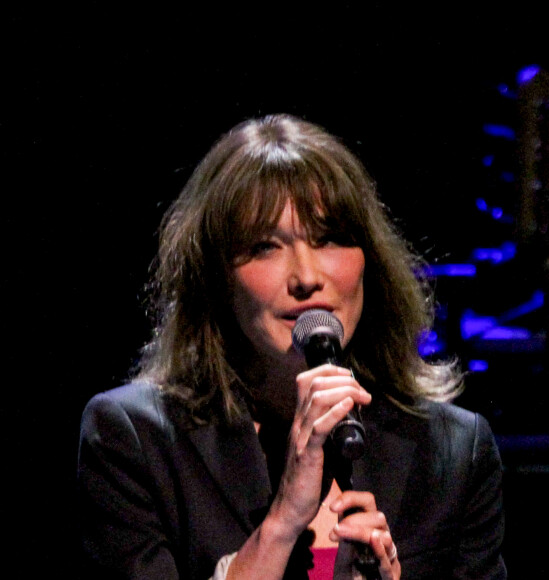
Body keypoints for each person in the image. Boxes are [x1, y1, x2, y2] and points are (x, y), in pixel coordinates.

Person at [78, 114, 507, 579]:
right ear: (217, 278)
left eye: (330, 240)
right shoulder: (135, 441)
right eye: (265, 246)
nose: (307, 277)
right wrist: (281, 524)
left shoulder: (453, 451)